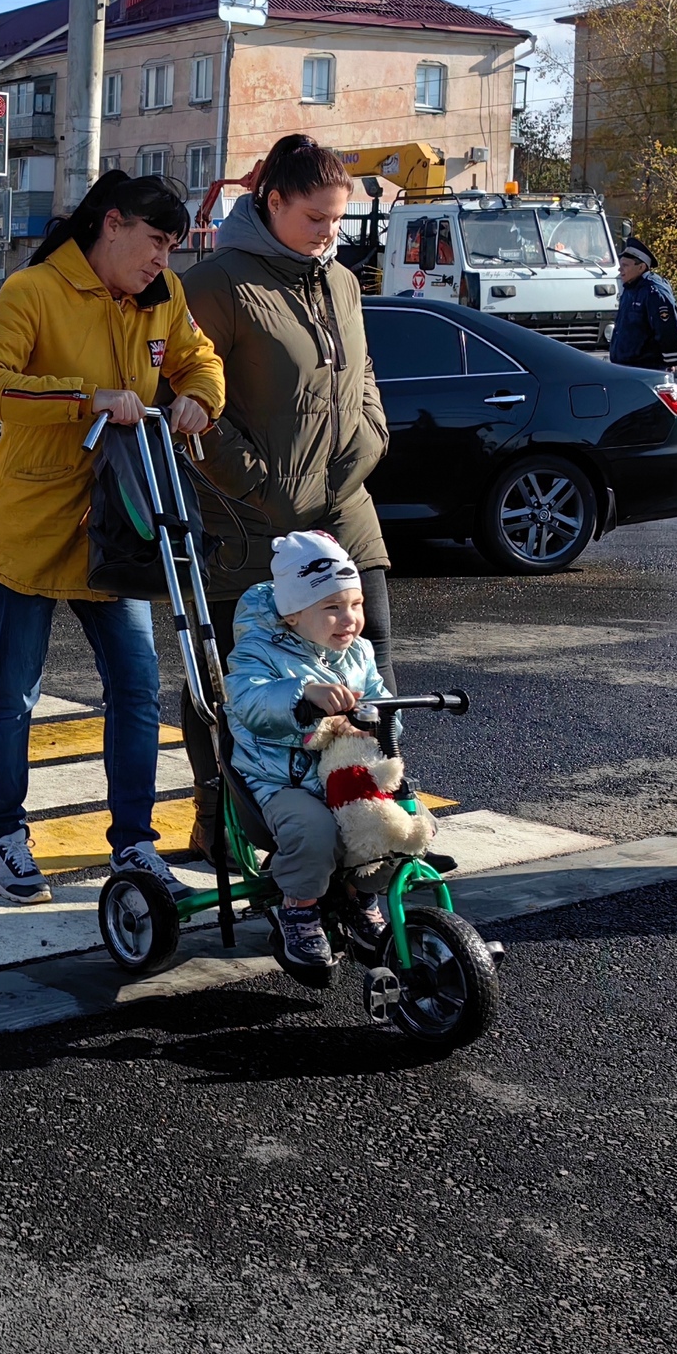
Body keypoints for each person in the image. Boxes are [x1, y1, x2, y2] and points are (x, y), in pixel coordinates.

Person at [0, 169, 227, 903]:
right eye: (154, 241)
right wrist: (84, 400)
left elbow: (200, 359)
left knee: (137, 690)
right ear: (111, 224)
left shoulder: (162, 299)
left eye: (172, 247)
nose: (161, 261)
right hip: (35, 528)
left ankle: (134, 846)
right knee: (15, 692)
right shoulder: (35, 291)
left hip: (125, 525)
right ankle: (5, 838)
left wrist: (200, 395)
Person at [180, 134, 393, 867]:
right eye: (315, 219)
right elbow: (190, 405)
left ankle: (364, 826)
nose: (329, 234)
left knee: (369, 678)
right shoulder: (217, 284)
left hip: (345, 518)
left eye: (337, 221)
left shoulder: (341, 282)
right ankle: (224, 818)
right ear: (272, 203)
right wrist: (262, 487)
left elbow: (363, 381)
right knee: (235, 685)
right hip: (249, 526)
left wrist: (367, 444)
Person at [224, 531, 396, 987]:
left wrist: (380, 723)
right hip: (280, 778)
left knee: (392, 824)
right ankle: (298, 910)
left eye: (356, 605)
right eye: (333, 607)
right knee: (314, 830)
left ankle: (361, 898)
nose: (350, 619)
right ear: (294, 614)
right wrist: (302, 697)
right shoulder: (260, 651)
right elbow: (247, 700)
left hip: (339, 770)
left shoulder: (358, 653)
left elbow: (381, 702)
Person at [608, 239, 677, 372]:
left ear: (641, 267)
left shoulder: (654, 292)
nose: (620, 270)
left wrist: (670, 361)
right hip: (625, 367)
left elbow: (668, 330)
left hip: (646, 369)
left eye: (625, 265)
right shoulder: (630, 288)